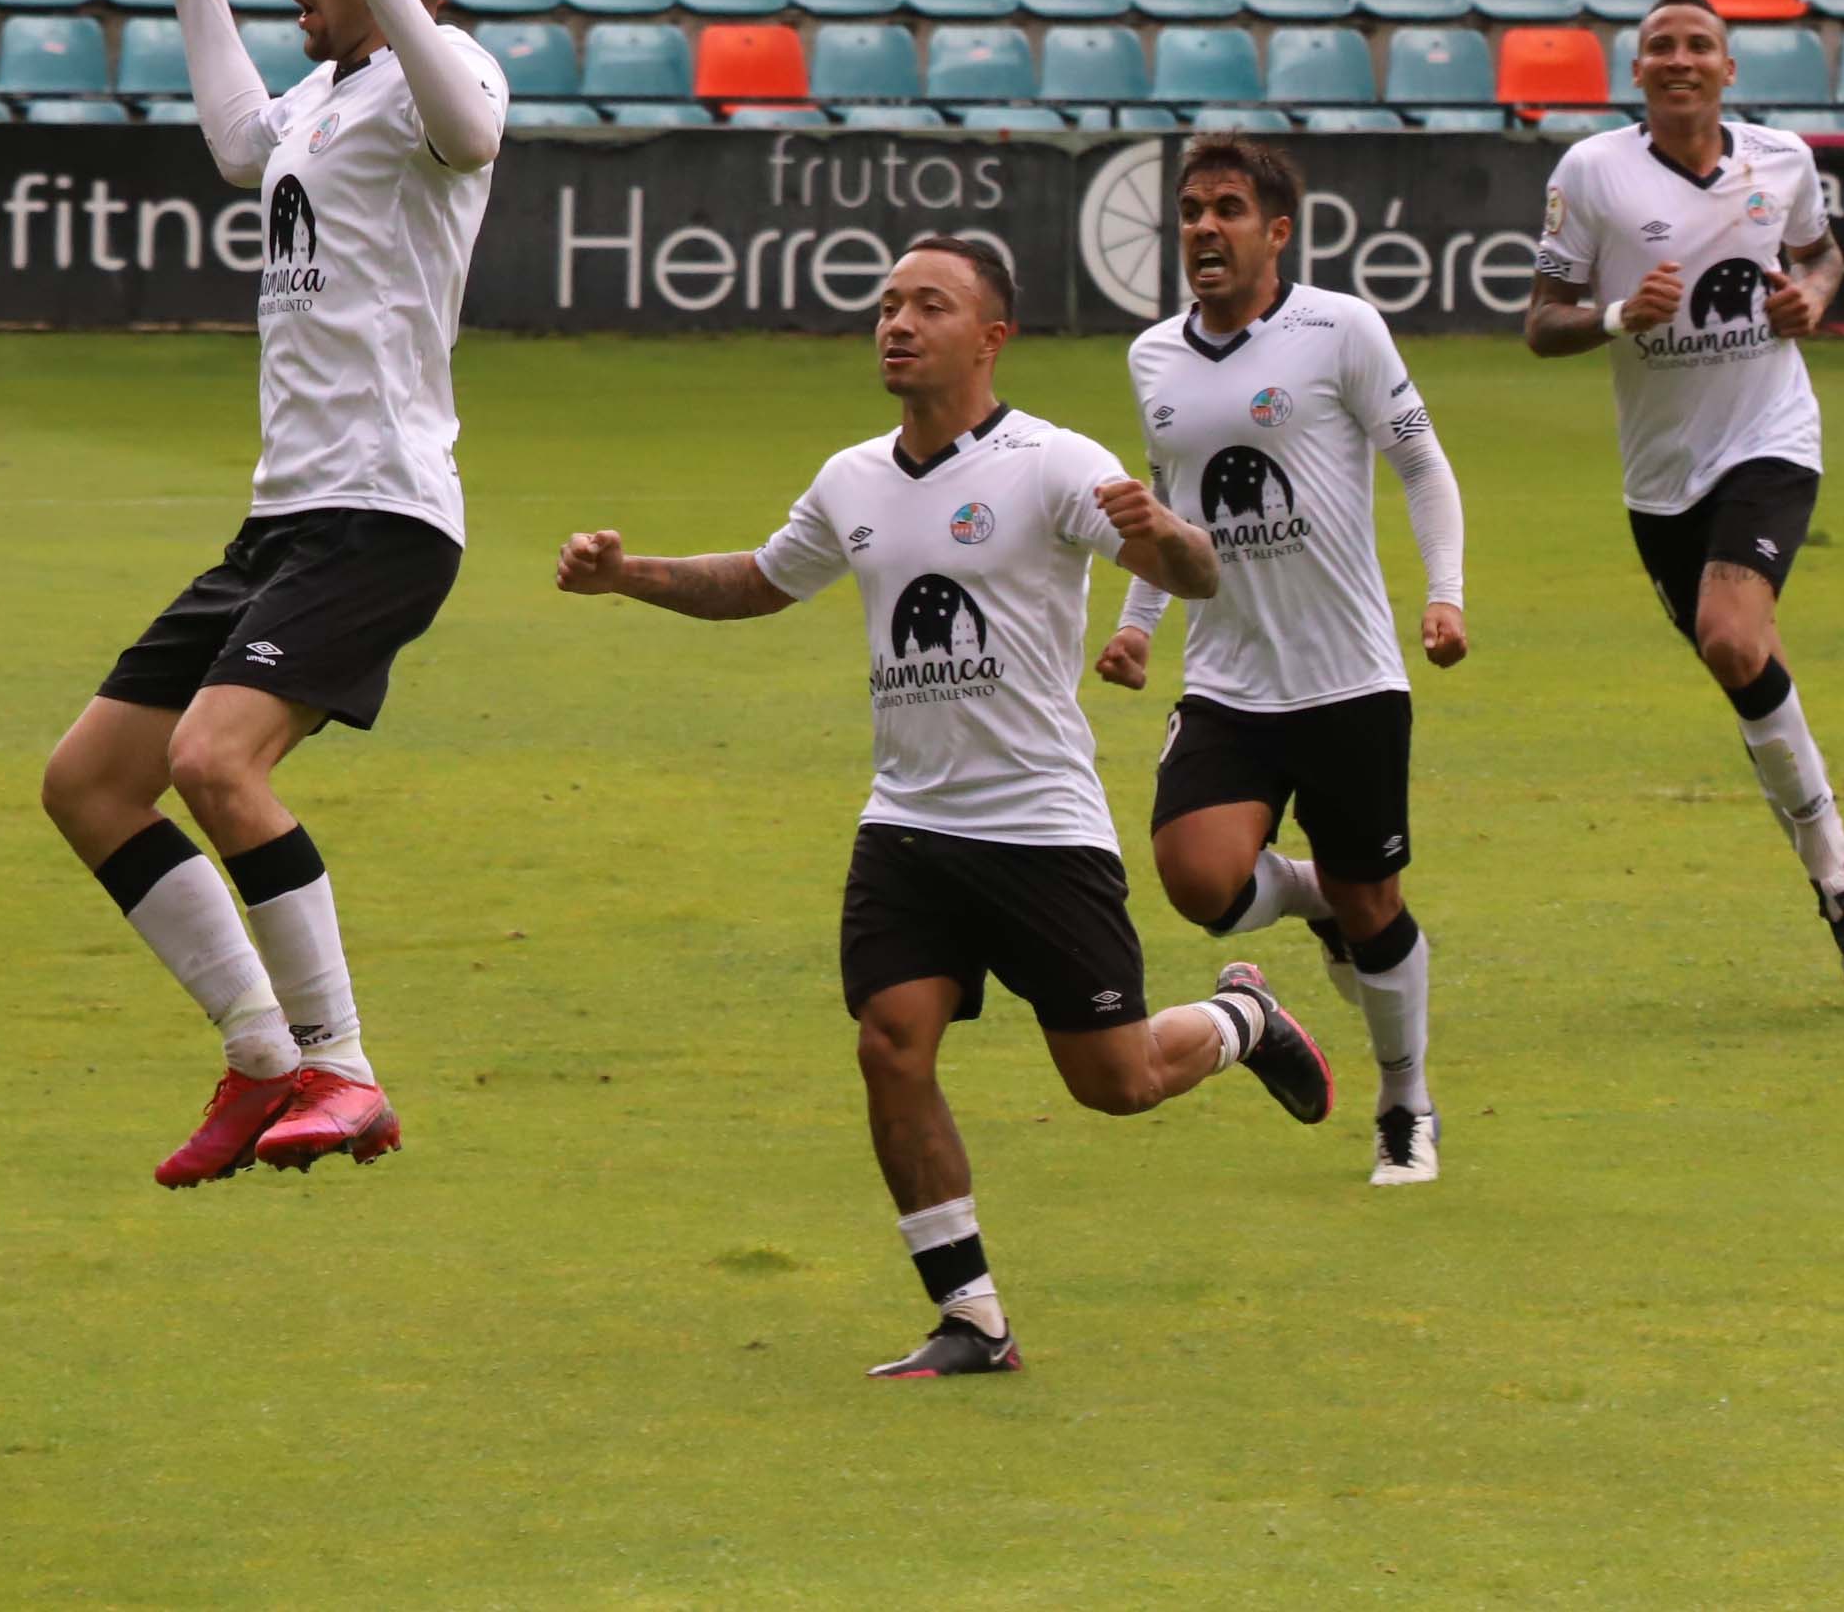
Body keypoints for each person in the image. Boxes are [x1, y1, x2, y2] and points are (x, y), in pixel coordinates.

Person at [556, 236, 1335, 1379]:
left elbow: (1197, 572)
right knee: (890, 1043)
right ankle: (971, 1315)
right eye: (886, 305)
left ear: (992, 336)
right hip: (908, 825)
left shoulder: (1052, 461)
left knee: (1115, 1083)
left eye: (929, 304)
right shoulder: (851, 478)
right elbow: (762, 580)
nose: (897, 323)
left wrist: (1165, 535)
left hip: (1040, 828)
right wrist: (631, 575)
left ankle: (1242, 1019)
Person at [37, 0, 509, 1189]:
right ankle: (258, 1056)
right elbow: (248, 152)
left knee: (212, 763)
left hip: (383, 510)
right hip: (284, 518)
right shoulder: (327, 91)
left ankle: (342, 1068)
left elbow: (470, 135)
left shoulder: (452, 73)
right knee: (89, 784)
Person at [1093, 135, 1467, 1188]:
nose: (1205, 227)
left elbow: (1422, 466)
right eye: (1191, 211)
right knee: (1195, 877)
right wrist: (1139, 623)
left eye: (1227, 209)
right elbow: (1172, 510)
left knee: (1377, 904)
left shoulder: (1340, 328)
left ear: (1276, 231)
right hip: (1230, 677)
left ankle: (1404, 1103)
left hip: (1349, 673)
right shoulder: (1153, 356)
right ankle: (1313, 903)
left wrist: (1444, 595)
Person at [1526, 0, 1844, 1012]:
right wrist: (1613, 313)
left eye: (1700, 45)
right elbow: (1541, 320)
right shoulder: (1592, 173)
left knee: (1733, 638)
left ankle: (1831, 868)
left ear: (1729, 70)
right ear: (1637, 73)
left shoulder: (1781, 160)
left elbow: (1820, 255)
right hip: (1661, 479)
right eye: (1662, 48)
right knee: (1741, 664)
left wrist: (1811, 297)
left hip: (1771, 436)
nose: (1681, 59)